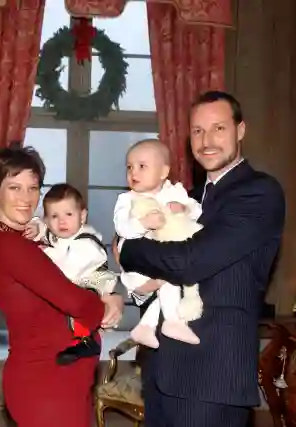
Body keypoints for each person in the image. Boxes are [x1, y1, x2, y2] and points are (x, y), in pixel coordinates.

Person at [119, 91, 286, 427]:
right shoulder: (183, 198)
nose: (207, 141)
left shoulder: (259, 193)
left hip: (212, 377)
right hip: (160, 371)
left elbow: (188, 261)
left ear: (240, 131)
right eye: (197, 131)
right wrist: (138, 279)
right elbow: (155, 275)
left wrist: (125, 248)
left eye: (218, 129)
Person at [0, 146, 124, 427]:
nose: (26, 198)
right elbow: (76, 303)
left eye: (33, 188)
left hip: (62, 379)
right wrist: (108, 302)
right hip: (45, 383)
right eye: (14, 187)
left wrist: (109, 296)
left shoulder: (25, 240)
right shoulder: (9, 245)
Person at [114, 139, 203, 348]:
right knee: (166, 281)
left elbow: (197, 210)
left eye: (142, 166)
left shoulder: (176, 192)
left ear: (163, 172)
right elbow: (121, 228)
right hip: (141, 268)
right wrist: (142, 223)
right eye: (129, 167)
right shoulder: (126, 199)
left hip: (170, 258)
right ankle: (173, 322)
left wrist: (184, 209)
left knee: (167, 285)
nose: (133, 172)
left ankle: (145, 327)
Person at [25, 183, 118, 365]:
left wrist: (44, 253)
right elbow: (44, 229)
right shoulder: (56, 235)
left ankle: (86, 341)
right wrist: (37, 227)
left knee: (82, 304)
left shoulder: (87, 242)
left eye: (69, 214)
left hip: (92, 285)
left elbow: (68, 269)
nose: (62, 222)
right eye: (54, 216)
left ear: (82, 216)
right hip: (70, 286)